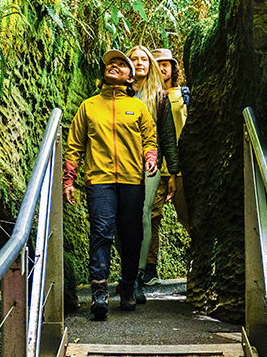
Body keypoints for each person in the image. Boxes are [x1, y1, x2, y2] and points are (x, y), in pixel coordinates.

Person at [64, 49, 158, 320]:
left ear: (130, 77)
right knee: (101, 232)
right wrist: (69, 179)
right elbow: (74, 146)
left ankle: (127, 285)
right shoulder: (88, 106)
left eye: (121, 64)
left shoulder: (138, 107)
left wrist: (150, 156)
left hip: (131, 179)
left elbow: (150, 138)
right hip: (99, 179)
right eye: (110, 64)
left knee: (131, 236)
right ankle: (99, 292)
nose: (114, 66)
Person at [127, 45, 177, 305]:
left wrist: (173, 173)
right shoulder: (116, 93)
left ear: (150, 65)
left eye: (144, 59)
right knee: (119, 221)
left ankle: (137, 276)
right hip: (120, 164)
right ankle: (127, 272)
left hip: (150, 166)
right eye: (134, 58)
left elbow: (167, 137)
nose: (139, 62)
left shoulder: (159, 98)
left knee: (144, 216)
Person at [144, 46, 189, 284]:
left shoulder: (184, 95)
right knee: (150, 218)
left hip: (183, 168)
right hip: (154, 168)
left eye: (166, 64)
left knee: (187, 216)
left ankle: (198, 265)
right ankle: (149, 268)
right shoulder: (148, 97)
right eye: (157, 63)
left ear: (173, 67)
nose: (162, 67)